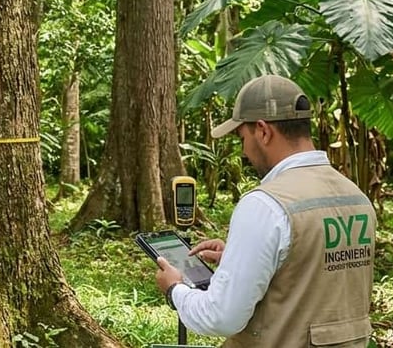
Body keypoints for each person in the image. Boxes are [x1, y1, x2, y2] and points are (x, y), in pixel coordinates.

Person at [155, 74, 376, 347]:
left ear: (263, 131)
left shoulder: (266, 204)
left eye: (242, 137)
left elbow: (221, 317)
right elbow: (317, 275)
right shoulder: (356, 198)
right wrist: (241, 260)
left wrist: (175, 289)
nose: (245, 151)